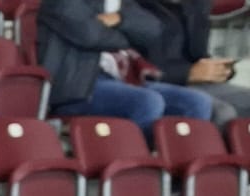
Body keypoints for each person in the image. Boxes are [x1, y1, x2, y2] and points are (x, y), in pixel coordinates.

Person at [39, 0, 215, 139]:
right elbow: (91, 36)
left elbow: (152, 30)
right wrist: (128, 35)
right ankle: (137, 165)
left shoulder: (119, 3)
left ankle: (174, 167)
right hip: (78, 87)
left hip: (123, 79)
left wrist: (119, 19)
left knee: (197, 102)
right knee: (147, 102)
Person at [121, 0, 250, 127]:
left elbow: (199, 55)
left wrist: (218, 70)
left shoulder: (197, 5)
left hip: (195, 83)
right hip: (150, 83)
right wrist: (187, 73)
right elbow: (127, 67)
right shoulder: (132, 7)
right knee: (221, 111)